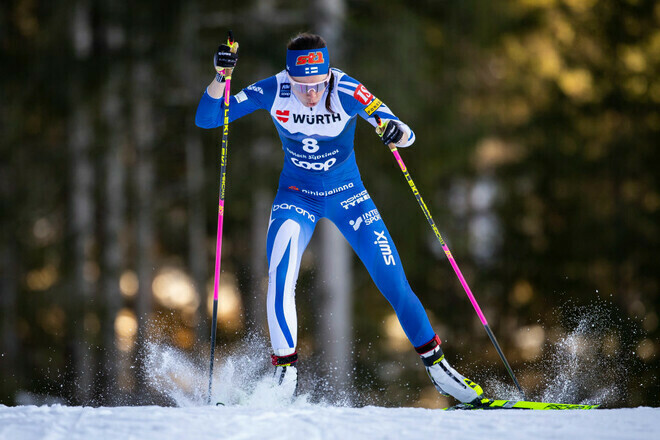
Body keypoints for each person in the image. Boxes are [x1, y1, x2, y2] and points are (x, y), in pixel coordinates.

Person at [195, 32, 485, 405]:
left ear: (328, 75)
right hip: (297, 197)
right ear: (289, 77)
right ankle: (285, 375)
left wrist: (395, 129)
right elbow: (207, 120)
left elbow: (404, 132)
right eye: (302, 86)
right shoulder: (274, 89)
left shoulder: (347, 88)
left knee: (393, 280)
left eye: (317, 84)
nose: (311, 94)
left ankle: (439, 369)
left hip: (350, 198)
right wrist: (221, 77)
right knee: (281, 273)